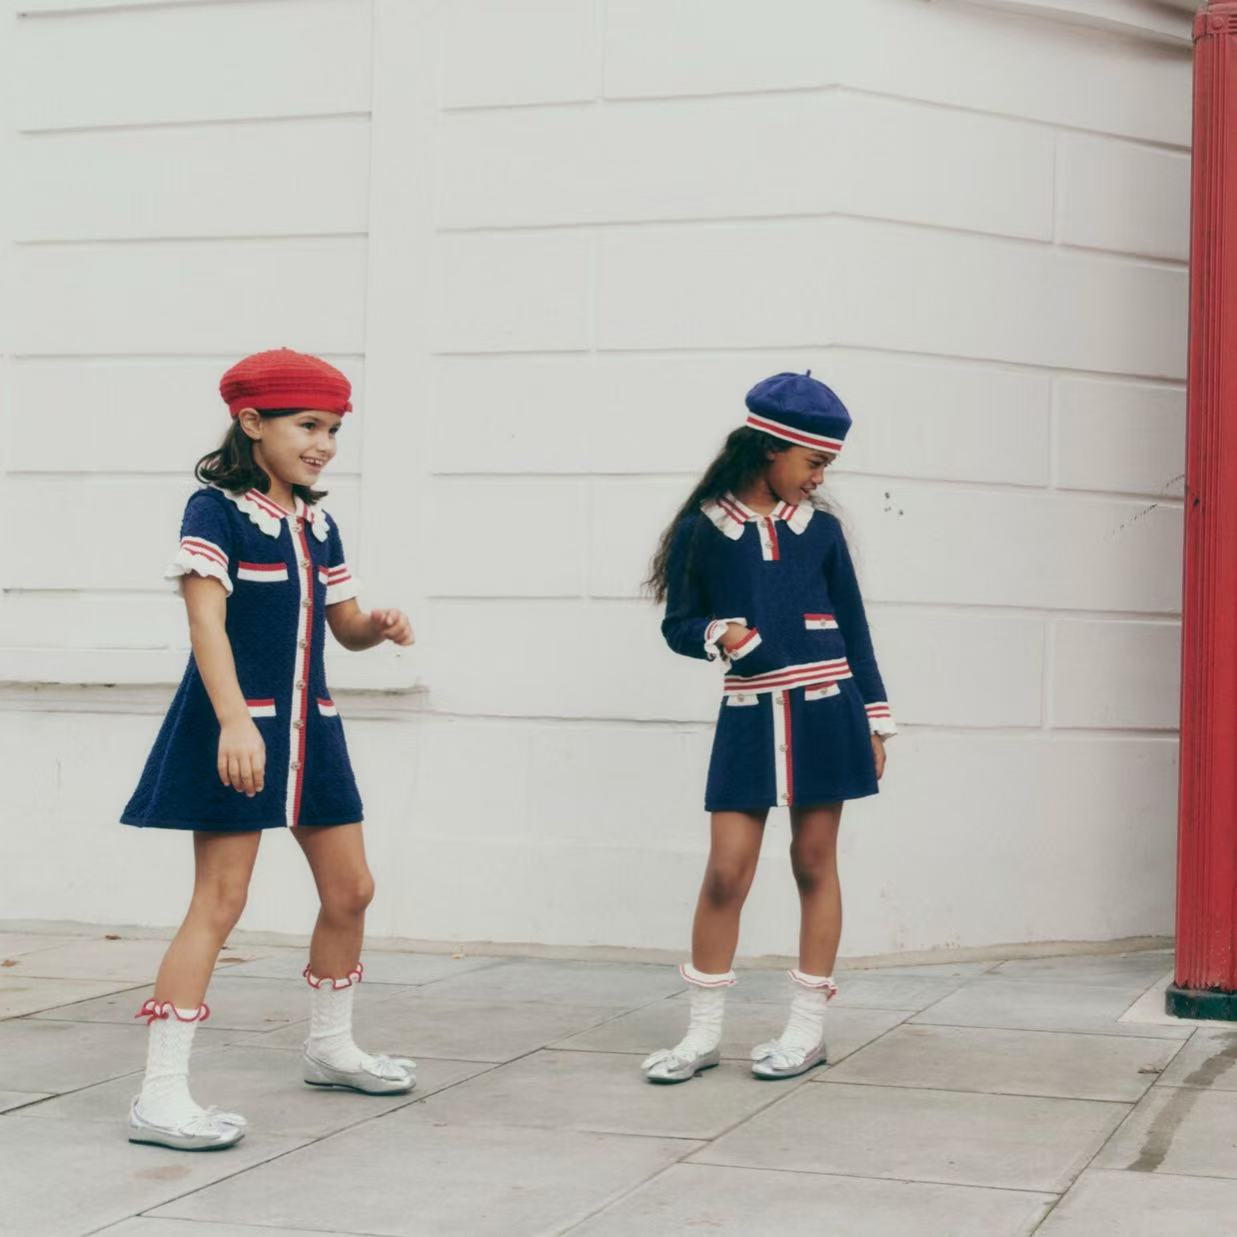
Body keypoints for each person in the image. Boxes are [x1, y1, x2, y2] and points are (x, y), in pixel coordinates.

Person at [121, 348, 415, 1150]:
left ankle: (329, 1044)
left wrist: (376, 626)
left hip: (312, 730)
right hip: (236, 729)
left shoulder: (318, 522)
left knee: (352, 888)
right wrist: (233, 722)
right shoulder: (212, 510)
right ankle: (159, 1094)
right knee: (219, 901)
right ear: (252, 423)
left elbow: (342, 628)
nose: (322, 443)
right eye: (306, 425)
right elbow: (205, 624)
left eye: (332, 429)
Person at [640, 371, 896, 1084]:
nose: (819, 478)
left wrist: (877, 720)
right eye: (813, 462)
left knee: (814, 863)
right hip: (751, 716)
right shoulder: (702, 528)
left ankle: (806, 1031)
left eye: (826, 467)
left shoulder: (822, 533)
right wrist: (719, 633)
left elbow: (854, 628)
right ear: (769, 448)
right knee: (726, 872)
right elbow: (678, 624)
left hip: (827, 710)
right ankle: (700, 1035)